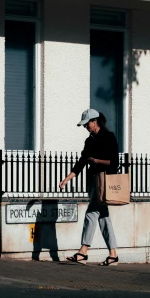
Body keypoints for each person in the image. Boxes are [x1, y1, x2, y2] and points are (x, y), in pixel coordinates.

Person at [59, 108, 119, 266]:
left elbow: (114, 163)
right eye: (84, 125)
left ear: (95, 121)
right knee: (104, 217)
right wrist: (67, 179)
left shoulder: (109, 137)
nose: (86, 127)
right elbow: (81, 163)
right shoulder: (89, 141)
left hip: (105, 181)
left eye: (87, 124)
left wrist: (96, 162)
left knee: (91, 213)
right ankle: (113, 255)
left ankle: (83, 251)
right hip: (92, 182)